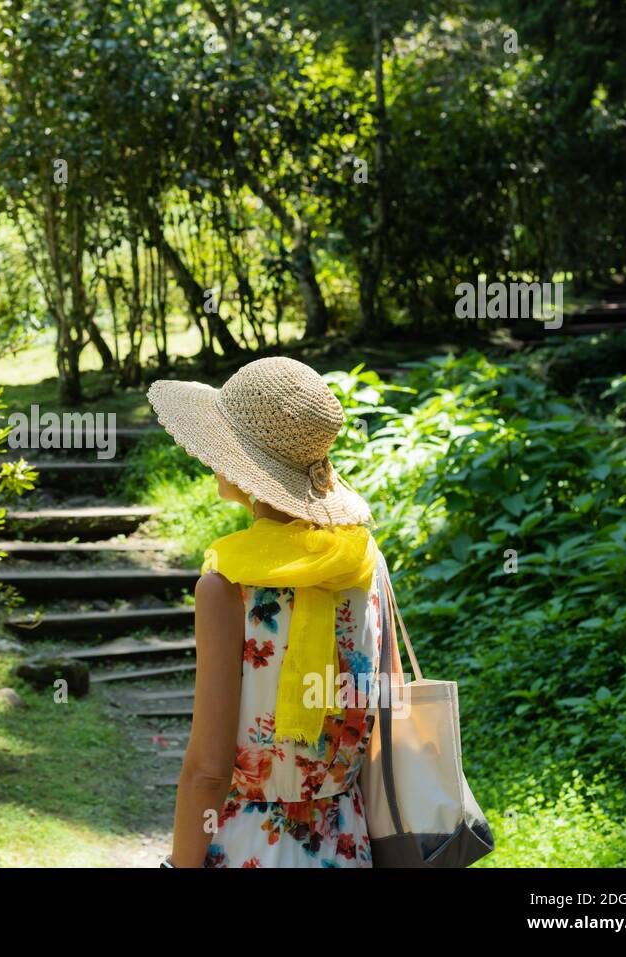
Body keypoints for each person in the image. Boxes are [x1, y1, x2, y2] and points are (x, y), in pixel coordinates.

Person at [146, 356, 399, 868]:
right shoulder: (365, 563)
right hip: (346, 840)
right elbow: (390, 714)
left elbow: (209, 771)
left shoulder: (227, 587)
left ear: (241, 464)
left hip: (246, 844)